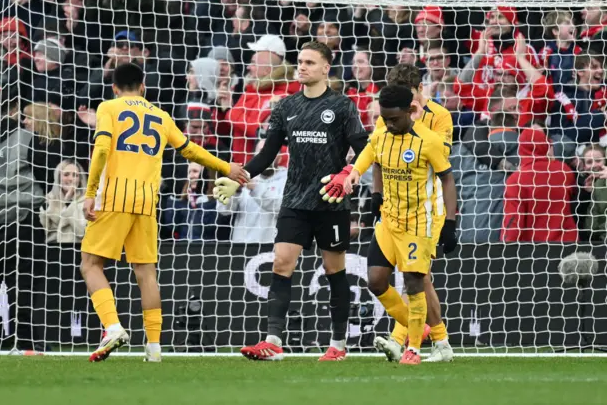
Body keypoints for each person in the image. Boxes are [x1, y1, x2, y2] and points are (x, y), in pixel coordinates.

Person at [80, 63, 249, 363]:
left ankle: (112, 326)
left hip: (114, 197)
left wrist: (90, 192)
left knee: (91, 265)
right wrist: (227, 167)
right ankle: (154, 349)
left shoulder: (109, 107)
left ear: (114, 87)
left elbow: (102, 148)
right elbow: (190, 150)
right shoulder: (160, 116)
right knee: (146, 273)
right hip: (147, 201)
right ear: (143, 86)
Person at [213, 41, 369, 361]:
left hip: (330, 201)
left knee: (333, 270)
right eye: (300, 62)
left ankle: (338, 345)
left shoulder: (342, 106)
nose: (302, 67)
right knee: (282, 264)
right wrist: (237, 177)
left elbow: (365, 148)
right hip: (295, 200)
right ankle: (272, 340)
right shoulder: (286, 106)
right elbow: (267, 155)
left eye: (310, 62)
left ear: (326, 68)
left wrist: (349, 172)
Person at [344, 84, 458, 365]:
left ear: (411, 111)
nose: (389, 124)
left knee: (414, 282)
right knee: (376, 280)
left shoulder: (428, 140)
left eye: (394, 119)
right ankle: (429, 333)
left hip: (419, 221)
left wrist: (451, 223)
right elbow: (372, 156)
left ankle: (414, 349)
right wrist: (359, 177)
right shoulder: (383, 132)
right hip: (388, 219)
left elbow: (447, 179)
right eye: (385, 118)